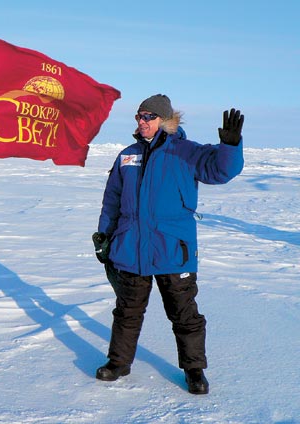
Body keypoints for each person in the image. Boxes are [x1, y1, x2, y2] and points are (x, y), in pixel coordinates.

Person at [92, 94, 244, 395]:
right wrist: (104, 236)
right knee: (127, 311)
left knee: (184, 314)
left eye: (148, 116)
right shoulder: (127, 155)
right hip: (131, 247)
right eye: (139, 116)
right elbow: (112, 200)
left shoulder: (186, 152)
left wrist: (229, 146)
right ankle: (118, 362)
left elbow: (221, 171)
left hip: (173, 249)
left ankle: (194, 370)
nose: (142, 121)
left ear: (164, 120)